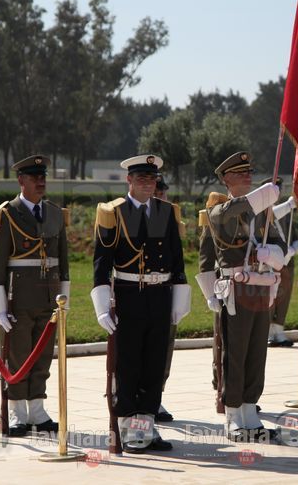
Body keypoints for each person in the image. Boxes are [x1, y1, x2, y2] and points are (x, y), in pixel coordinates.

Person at [89, 155, 190, 453]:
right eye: (142, 178)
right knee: (129, 363)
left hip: (160, 295)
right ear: (129, 180)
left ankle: (146, 426)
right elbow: (101, 263)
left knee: (154, 363)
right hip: (129, 294)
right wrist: (101, 306)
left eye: (152, 179)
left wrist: (180, 297)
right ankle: (127, 427)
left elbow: (177, 259)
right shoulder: (114, 213)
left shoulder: (165, 211)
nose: (148, 184)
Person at [194, 152, 281, 442]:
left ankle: (250, 412)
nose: (247, 175)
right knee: (234, 354)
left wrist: (272, 253)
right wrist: (209, 293)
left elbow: (282, 247)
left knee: (257, 352)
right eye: (240, 172)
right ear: (226, 179)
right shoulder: (218, 212)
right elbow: (207, 256)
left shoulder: (263, 212)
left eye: (249, 171)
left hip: (260, 287)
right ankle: (232, 415)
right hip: (234, 290)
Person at [0, 155, 69, 437]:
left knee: (43, 356)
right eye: (34, 177)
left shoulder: (55, 214)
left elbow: (63, 262)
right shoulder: (7, 215)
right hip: (17, 298)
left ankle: (37, 410)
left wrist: (64, 301)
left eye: (43, 177)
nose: (40, 182)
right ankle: (17, 411)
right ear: (21, 180)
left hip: (49, 297)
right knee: (18, 355)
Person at [155, 174, 183, 422]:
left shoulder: (169, 218)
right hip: (135, 291)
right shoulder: (126, 215)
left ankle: (157, 396)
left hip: (166, 289)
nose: (160, 195)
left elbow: (177, 258)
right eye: (157, 191)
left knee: (165, 346)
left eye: (162, 191)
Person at [264, 176, 298, 348]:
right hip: (269, 264)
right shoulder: (263, 212)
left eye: (279, 189)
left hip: (287, 264)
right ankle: (267, 331)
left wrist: (292, 250)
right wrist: (288, 205)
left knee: (284, 297)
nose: (277, 193)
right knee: (270, 297)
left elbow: (296, 239)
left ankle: (278, 331)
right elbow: (270, 216)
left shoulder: (287, 215)